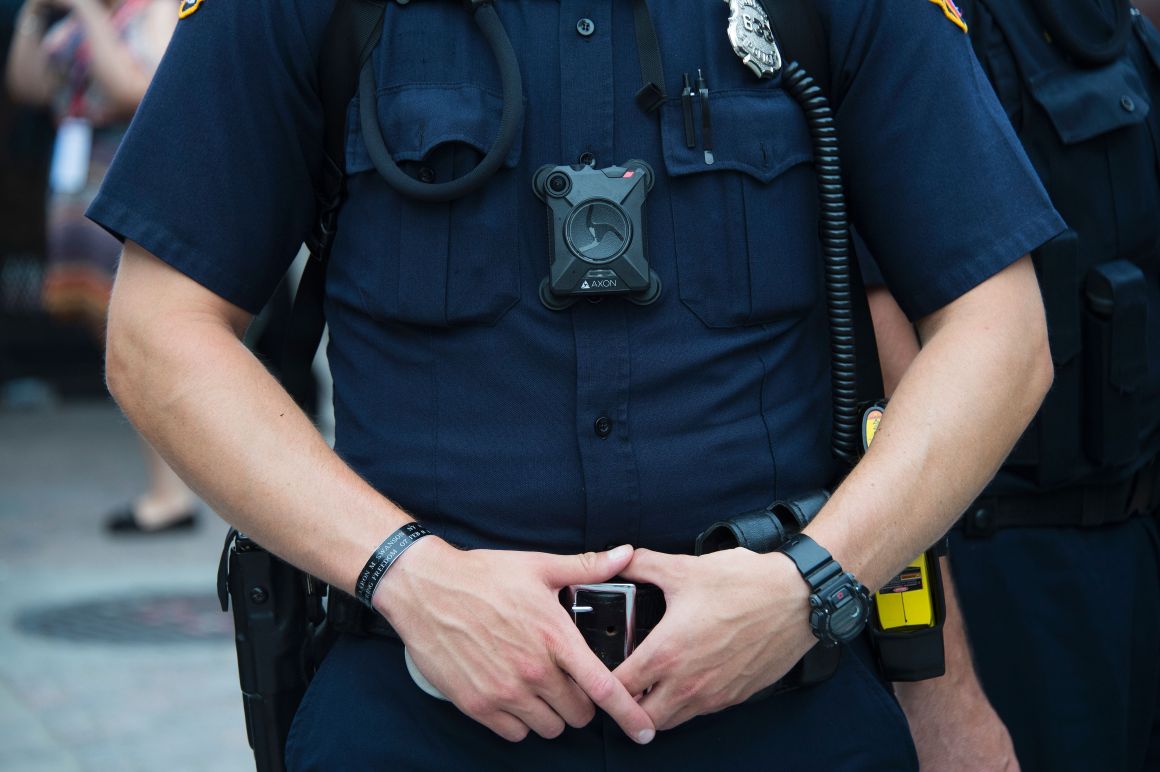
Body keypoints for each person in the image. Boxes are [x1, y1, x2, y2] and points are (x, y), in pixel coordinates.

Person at [94, 0, 1062, 768]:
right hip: (422, 706)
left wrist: (809, 581)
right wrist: (409, 574)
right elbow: (159, 332)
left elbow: (998, 331)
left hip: (780, 703)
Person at [861, 1, 1160, 770]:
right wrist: (943, 693)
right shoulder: (910, 30)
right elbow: (884, 371)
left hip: (1128, 553)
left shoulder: (1114, 28)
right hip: (999, 573)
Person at [5, 0, 197, 533]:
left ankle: (171, 494)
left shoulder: (154, 8)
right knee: (112, 336)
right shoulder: (67, 17)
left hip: (131, 185)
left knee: (140, 336)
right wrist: (31, 17)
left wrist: (87, 14)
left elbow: (141, 91)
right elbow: (29, 89)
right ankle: (166, 488)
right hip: (79, 185)